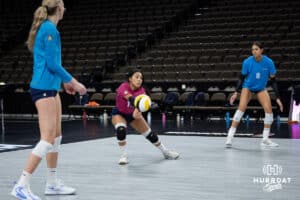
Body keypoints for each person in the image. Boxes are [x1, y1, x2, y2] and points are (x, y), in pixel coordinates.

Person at [11, 0, 87, 199]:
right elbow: (52, 64)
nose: (66, 8)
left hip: (51, 88)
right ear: (59, 8)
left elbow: (51, 63)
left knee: (57, 136)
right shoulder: (49, 29)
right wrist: (75, 82)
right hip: (43, 88)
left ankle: (52, 183)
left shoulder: (49, 28)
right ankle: (21, 184)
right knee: (46, 140)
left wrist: (63, 84)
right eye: (64, 5)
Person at [111, 69, 180, 165]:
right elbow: (131, 99)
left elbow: (139, 106)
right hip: (119, 113)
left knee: (150, 135)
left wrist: (138, 111)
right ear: (130, 78)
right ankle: (123, 156)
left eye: (141, 78)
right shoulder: (123, 86)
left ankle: (165, 152)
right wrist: (144, 103)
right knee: (121, 130)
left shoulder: (142, 91)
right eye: (137, 77)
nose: (139, 80)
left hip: (132, 114)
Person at [225, 41, 283, 148]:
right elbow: (241, 78)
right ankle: (229, 137)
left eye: (256, 49)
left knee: (269, 113)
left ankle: (265, 139)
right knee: (241, 109)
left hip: (261, 88)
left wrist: (278, 97)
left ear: (261, 50)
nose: (254, 51)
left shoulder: (269, 62)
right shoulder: (247, 62)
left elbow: (273, 81)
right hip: (248, 88)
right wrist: (235, 92)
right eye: (252, 49)